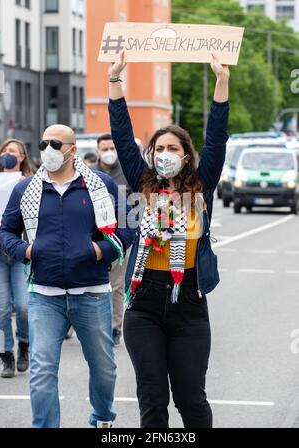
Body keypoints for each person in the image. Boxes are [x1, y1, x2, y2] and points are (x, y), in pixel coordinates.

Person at [108, 51, 230, 428]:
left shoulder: (201, 185)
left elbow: (217, 139)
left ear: (186, 155)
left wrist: (221, 81)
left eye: (172, 148)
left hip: (189, 302)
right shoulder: (142, 184)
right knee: (152, 400)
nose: (164, 155)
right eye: (159, 149)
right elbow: (123, 137)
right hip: (143, 304)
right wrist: (115, 81)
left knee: (192, 399)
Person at [0, 125, 135, 428]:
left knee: (103, 368)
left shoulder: (101, 185)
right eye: (44, 142)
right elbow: (5, 231)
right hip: (44, 296)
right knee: (42, 370)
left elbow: (127, 229)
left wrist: (99, 251)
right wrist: (26, 251)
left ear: (72, 150)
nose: (48, 149)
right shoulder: (26, 189)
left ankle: (102, 419)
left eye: (55, 144)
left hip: (93, 293)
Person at [0, 139, 32, 378]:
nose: (6, 155)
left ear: (21, 157)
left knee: (22, 306)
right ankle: (6, 354)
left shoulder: (29, 182)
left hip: (20, 251)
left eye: (12, 151)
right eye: (4, 151)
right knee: (1, 309)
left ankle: (24, 343)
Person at [97, 134, 132, 346]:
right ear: (98, 151)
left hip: (120, 237)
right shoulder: (89, 173)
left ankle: (114, 327)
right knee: (89, 283)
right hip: (94, 236)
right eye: (105, 148)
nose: (109, 151)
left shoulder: (127, 173)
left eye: (112, 147)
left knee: (116, 285)